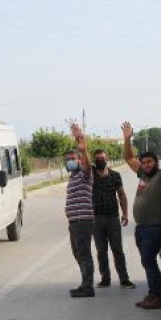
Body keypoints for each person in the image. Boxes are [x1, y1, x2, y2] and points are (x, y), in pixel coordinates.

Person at [122, 121, 161, 309]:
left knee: (148, 260)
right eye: (144, 162)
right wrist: (127, 139)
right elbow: (128, 157)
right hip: (141, 228)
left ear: (156, 162)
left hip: (155, 227)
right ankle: (153, 294)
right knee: (147, 261)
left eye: (149, 162)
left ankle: (158, 297)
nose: (146, 165)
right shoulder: (142, 175)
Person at [91, 149, 135, 289]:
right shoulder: (90, 175)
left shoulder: (115, 175)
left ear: (107, 158)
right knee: (101, 250)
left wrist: (125, 214)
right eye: (97, 159)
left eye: (102, 158)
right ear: (94, 160)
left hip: (112, 219)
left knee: (117, 249)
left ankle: (124, 279)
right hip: (96, 219)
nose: (100, 161)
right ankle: (105, 278)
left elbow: (121, 195)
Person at [64, 122, 96, 298]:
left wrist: (82, 146)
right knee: (78, 253)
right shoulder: (73, 177)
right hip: (74, 221)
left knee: (84, 254)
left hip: (83, 221)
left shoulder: (85, 174)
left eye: (73, 158)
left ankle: (88, 287)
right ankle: (85, 282)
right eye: (68, 159)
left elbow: (89, 165)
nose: (70, 161)